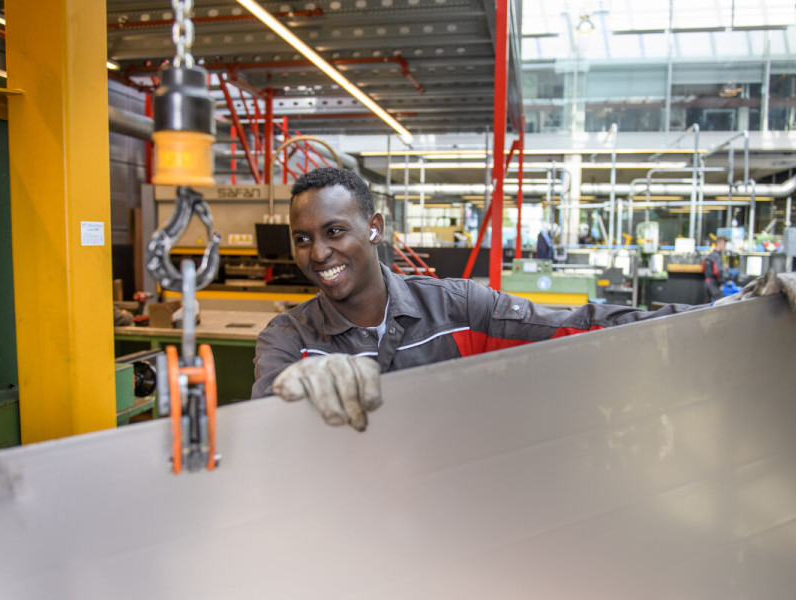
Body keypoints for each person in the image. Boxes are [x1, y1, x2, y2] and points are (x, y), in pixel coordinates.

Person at [254, 168, 700, 431]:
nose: (318, 253)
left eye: (334, 231)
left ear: (374, 228)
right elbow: (267, 427)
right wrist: (303, 386)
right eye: (302, 239)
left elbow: (579, 324)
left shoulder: (457, 309)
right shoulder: (287, 340)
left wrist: (718, 313)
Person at [703, 236, 728, 303]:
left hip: (707, 282)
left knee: (706, 304)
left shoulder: (710, 255)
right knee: (720, 303)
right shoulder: (717, 257)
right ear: (720, 244)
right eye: (724, 244)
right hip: (713, 284)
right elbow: (718, 272)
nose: (725, 246)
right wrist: (722, 282)